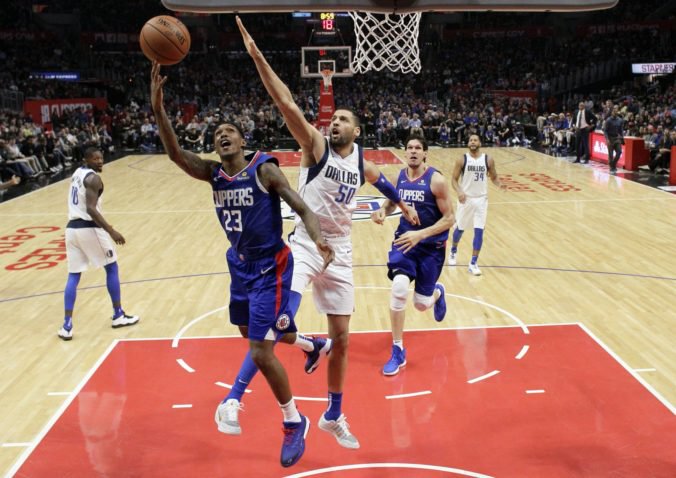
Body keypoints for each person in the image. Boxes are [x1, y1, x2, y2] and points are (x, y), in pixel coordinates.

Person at [235, 16, 419, 450]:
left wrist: (403, 202)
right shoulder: (315, 147)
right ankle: (272, 370)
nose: (333, 123)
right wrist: (257, 56)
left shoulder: (360, 162)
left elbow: (383, 182)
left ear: (356, 131)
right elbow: (287, 104)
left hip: (341, 250)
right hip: (304, 241)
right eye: (332, 118)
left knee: (343, 339)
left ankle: (333, 414)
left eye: (341, 120)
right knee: (279, 323)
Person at [150, 62, 333, 468]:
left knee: (261, 349)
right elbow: (175, 153)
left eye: (229, 132)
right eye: (217, 135)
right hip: (239, 266)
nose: (222, 136)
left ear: (243, 140)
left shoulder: (263, 169)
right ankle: (311, 345)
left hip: (271, 267)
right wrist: (159, 109)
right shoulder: (213, 174)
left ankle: (292, 420)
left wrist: (318, 237)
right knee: (251, 331)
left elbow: (302, 206)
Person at [371, 135, 455, 375]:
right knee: (398, 287)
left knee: (420, 305)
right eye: (409, 147)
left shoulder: (436, 180)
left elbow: (450, 219)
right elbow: (392, 201)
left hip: (431, 248)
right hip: (405, 242)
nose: (413, 151)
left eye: (418, 148)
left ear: (426, 153)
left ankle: (437, 293)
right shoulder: (400, 176)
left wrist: (422, 234)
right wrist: (382, 211)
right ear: (405, 152)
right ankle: (398, 351)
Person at [59, 147, 139, 341]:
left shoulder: (77, 173)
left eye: (101, 157)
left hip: (71, 229)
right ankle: (118, 314)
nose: (100, 161)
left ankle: (67, 325)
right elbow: (91, 209)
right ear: (86, 159)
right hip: (89, 228)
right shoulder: (94, 179)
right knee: (112, 267)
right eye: (95, 158)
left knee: (73, 275)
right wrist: (111, 231)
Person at [447, 134, 506, 275]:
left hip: (481, 199)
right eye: (470, 140)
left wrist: (500, 184)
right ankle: (453, 250)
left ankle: (473, 263)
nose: (472, 142)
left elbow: (494, 177)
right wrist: (459, 191)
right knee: (460, 229)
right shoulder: (462, 159)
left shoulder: (488, 159)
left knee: (479, 230)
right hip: (465, 199)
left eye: (475, 140)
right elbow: (454, 180)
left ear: (480, 142)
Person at [602, 105, 624, 174]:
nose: (615, 112)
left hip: (617, 138)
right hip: (610, 138)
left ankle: (613, 164)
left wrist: (622, 138)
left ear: (617, 112)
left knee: (619, 152)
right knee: (610, 154)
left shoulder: (620, 120)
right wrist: (607, 139)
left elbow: (621, 130)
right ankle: (612, 167)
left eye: (616, 111)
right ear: (612, 112)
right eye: (614, 111)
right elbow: (605, 131)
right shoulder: (608, 120)